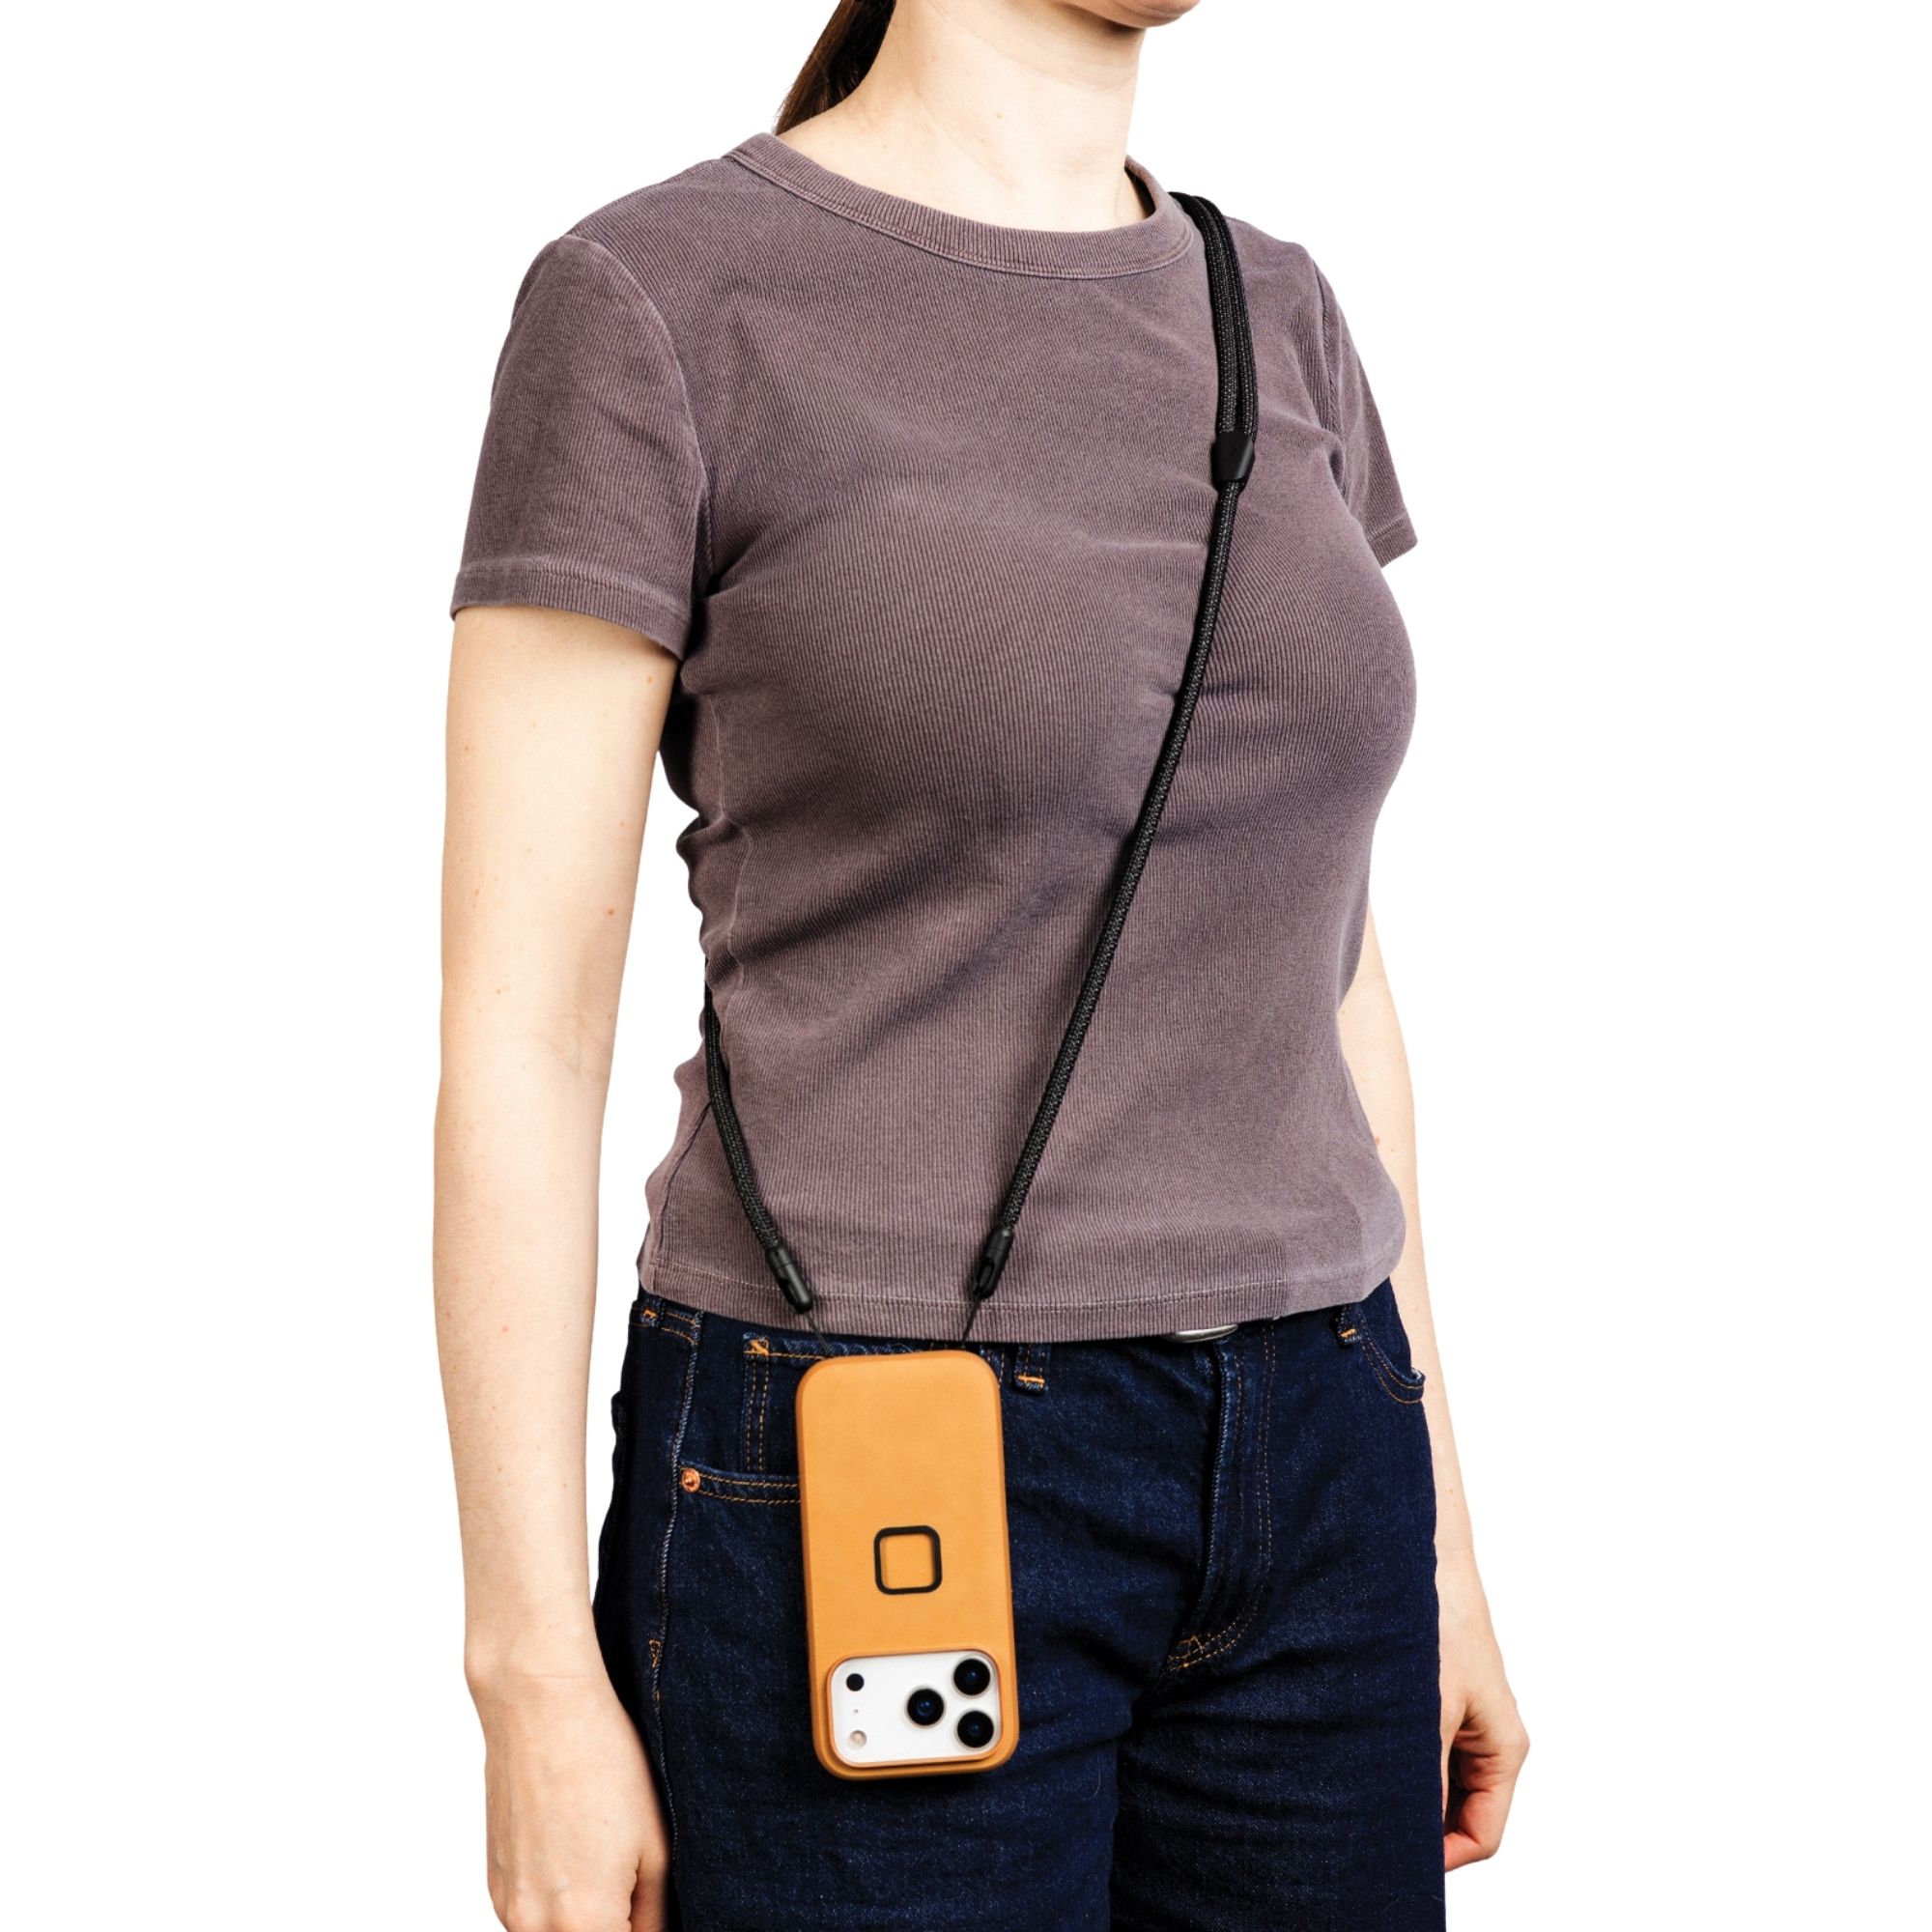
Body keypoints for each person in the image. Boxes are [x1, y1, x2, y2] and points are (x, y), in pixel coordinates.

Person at [435, 2, 1528, 1925]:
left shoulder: (1274, 311)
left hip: (1322, 1452)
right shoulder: (658, 302)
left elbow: (1329, 966)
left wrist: (1439, 1537)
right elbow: (522, 1037)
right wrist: (528, 1669)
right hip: (864, 1447)